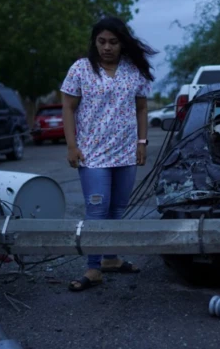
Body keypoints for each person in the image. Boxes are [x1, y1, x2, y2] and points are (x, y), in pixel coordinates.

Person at [60, 16, 157, 292]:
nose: (107, 47)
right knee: (97, 209)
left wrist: (142, 142)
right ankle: (93, 267)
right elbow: (68, 107)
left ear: (122, 43)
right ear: (94, 42)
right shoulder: (81, 69)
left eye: (113, 42)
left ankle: (111, 259)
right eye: (101, 41)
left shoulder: (133, 71)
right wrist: (71, 146)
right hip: (92, 154)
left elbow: (140, 108)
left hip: (126, 152)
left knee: (117, 208)